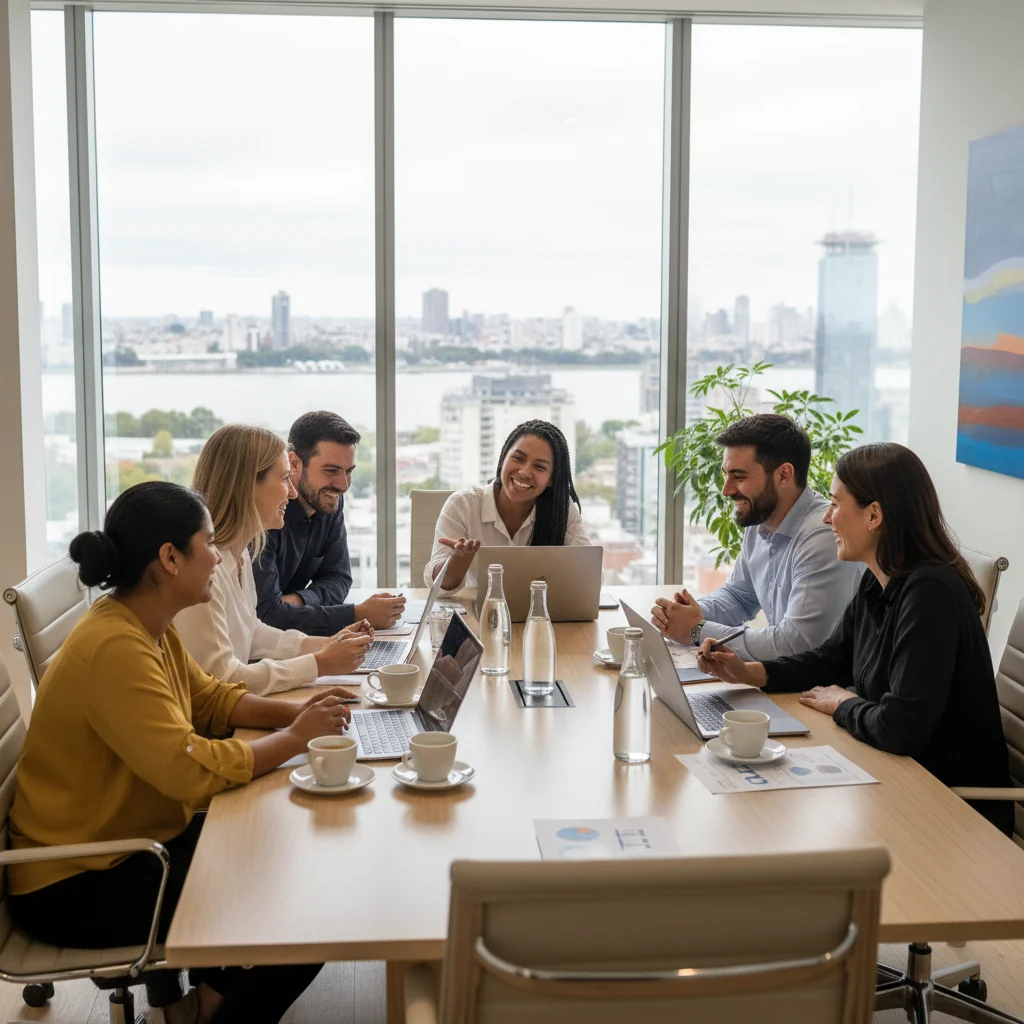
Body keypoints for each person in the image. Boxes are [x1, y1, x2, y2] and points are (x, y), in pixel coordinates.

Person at [9, 481, 354, 1024]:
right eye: (209, 542)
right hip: (78, 882)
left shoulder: (143, 623)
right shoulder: (116, 648)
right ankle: (208, 1015)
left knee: (289, 849)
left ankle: (198, 1009)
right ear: (170, 558)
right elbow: (190, 771)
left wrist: (301, 715)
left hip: (126, 844)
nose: (218, 556)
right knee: (308, 910)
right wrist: (292, 740)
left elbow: (210, 699)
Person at [696, 443, 1013, 836]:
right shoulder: (879, 577)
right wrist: (750, 672)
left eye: (835, 503)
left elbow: (901, 727)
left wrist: (844, 703)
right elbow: (831, 660)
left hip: (950, 810)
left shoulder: (931, 595)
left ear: (874, 515)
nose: (827, 518)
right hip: (897, 779)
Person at [176, 424, 373, 694]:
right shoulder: (203, 570)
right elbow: (223, 679)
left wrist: (324, 645)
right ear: (245, 485)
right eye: (283, 480)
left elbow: (253, 632)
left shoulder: (241, 552)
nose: (292, 493)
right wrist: (318, 664)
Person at [651, 414, 862, 659]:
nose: (726, 490)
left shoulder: (822, 534)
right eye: (726, 474)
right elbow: (739, 596)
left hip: (819, 689)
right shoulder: (761, 519)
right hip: (787, 683)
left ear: (784, 475)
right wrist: (687, 614)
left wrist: (697, 630)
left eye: (739, 477)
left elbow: (797, 644)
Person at [253, 411, 406, 636]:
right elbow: (267, 616)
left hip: (291, 642)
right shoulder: (267, 511)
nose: (343, 485)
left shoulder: (328, 499)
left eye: (349, 472)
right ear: (294, 463)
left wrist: (298, 601)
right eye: (331, 471)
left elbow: (339, 577)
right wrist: (354, 615)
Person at [424, 419, 590, 595]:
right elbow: (438, 588)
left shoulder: (561, 511)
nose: (525, 472)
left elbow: (590, 578)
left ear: (551, 479)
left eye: (539, 466)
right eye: (518, 458)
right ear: (503, 458)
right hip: (475, 617)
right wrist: (457, 561)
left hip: (538, 616)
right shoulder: (462, 505)